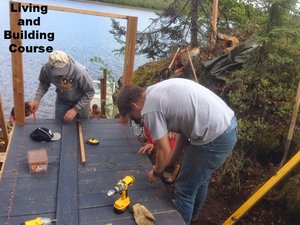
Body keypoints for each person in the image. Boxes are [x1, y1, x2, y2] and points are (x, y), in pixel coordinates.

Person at [116, 78, 237, 224]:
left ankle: (182, 219)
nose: (135, 119)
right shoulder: (154, 91)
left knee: (184, 189)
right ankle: (192, 215)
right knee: (199, 179)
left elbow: (163, 149)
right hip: (226, 125)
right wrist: (171, 162)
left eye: (131, 116)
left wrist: (156, 173)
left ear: (134, 105)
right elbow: (182, 133)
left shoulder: (150, 109)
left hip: (214, 137)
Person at [30, 50, 95, 122]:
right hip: (62, 100)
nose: (60, 75)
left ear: (67, 63)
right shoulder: (46, 68)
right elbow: (44, 83)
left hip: (81, 100)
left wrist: (75, 109)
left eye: (62, 71)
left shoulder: (80, 72)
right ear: (50, 66)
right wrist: (37, 99)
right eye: (56, 72)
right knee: (59, 124)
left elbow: (90, 92)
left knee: (84, 125)